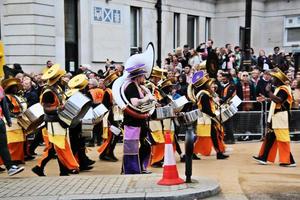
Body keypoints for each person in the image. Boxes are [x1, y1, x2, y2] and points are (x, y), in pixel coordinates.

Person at [32, 64, 79, 176]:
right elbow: (46, 108)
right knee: (57, 147)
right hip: (53, 122)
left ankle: (60, 170)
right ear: (57, 78)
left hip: (59, 121)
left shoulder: (57, 88)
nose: (63, 79)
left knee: (57, 147)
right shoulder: (48, 91)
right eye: (61, 77)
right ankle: (42, 167)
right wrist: (59, 108)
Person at [253, 68, 296, 167]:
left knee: (282, 138)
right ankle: (264, 157)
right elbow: (275, 100)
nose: (272, 80)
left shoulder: (284, 89)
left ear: (278, 80)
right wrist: (267, 98)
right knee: (270, 137)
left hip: (281, 117)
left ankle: (290, 161)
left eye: (274, 78)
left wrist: (268, 92)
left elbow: (279, 100)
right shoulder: (279, 89)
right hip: (276, 116)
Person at [122, 64, 154, 174]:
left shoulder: (138, 86)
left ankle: (140, 167)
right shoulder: (131, 86)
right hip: (133, 121)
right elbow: (134, 102)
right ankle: (134, 169)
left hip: (139, 121)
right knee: (133, 148)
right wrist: (147, 98)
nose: (144, 78)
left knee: (145, 145)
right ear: (138, 77)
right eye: (143, 76)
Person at [192, 71, 228, 159]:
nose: (212, 86)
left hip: (206, 118)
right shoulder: (204, 95)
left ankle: (219, 153)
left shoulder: (203, 94)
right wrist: (213, 115)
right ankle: (191, 152)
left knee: (213, 136)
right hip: (206, 118)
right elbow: (205, 108)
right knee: (201, 137)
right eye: (209, 84)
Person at [1, 78, 27, 164]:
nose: (16, 88)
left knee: (19, 141)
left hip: (17, 121)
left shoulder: (16, 97)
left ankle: (18, 158)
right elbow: (7, 110)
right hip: (11, 121)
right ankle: (12, 159)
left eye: (16, 87)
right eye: (13, 87)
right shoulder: (7, 97)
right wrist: (14, 116)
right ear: (9, 88)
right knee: (12, 141)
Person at [98, 71, 121, 162]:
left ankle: (108, 152)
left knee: (116, 134)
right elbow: (105, 106)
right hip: (109, 116)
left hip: (115, 115)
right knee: (112, 135)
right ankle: (107, 153)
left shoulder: (113, 91)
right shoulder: (108, 92)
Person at [219, 72, 236, 144]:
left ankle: (231, 139)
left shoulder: (231, 86)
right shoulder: (225, 86)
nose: (223, 80)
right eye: (222, 78)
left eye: (224, 78)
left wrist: (222, 100)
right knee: (226, 123)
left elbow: (228, 96)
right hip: (225, 106)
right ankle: (227, 138)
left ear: (228, 79)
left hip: (229, 106)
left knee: (228, 123)